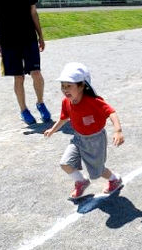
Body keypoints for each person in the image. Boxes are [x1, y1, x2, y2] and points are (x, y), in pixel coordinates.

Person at [44, 62, 124, 199]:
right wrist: (53, 129)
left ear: (82, 86)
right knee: (65, 163)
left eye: (69, 86)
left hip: (95, 140)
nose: (65, 89)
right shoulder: (66, 102)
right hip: (78, 138)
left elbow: (111, 112)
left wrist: (118, 130)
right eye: (63, 86)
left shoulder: (93, 101)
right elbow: (63, 118)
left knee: (98, 171)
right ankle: (81, 181)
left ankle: (114, 179)